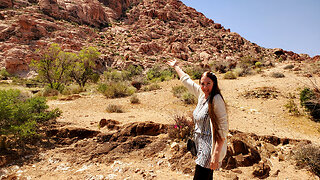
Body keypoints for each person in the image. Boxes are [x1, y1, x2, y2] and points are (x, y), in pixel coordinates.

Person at [166, 59, 228, 180]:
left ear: (214, 83)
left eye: (208, 83)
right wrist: (176, 67)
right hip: (199, 144)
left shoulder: (216, 99)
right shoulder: (202, 94)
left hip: (209, 146)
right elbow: (187, 81)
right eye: (202, 83)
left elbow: (222, 128)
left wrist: (215, 155)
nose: (205, 87)